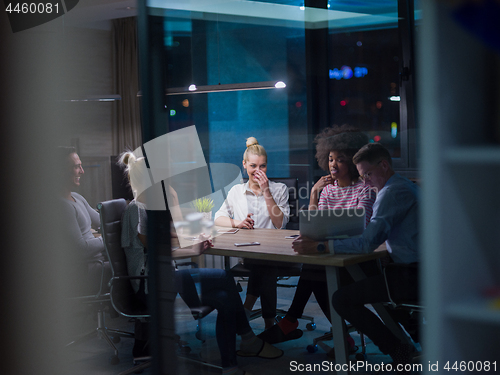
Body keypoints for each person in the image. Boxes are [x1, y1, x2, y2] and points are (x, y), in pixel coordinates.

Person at [118, 151, 283, 375]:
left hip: (166, 276)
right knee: (224, 277)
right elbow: (157, 251)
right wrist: (192, 248)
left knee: (224, 298)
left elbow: (168, 234)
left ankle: (231, 365)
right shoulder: (137, 209)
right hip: (150, 282)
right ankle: (249, 340)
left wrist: (176, 207)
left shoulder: (149, 207)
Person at [292, 143, 419, 372]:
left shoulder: (390, 193)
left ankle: (398, 351)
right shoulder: (401, 186)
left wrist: (320, 247)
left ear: (384, 165)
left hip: (410, 275)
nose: (367, 182)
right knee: (367, 283)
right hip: (413, 270)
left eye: (368, 174)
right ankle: (413, 340)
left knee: (341, 298)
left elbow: (366, 243)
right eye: (363, 176)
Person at [258, 126, 377, 347]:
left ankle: (291, 321)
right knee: (315, 272)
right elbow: (313, 227)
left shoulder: (364, 189)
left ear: (352, 161)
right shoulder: (328, 190)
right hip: (329, 257)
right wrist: (314, 192)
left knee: (313, 272)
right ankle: (333, 334)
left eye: (340, 159)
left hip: (356, 258)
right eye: (330, 159)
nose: (333, 164)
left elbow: (364, 226)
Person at [214, 137, 290, 329]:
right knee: (264, 266)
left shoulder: (279, 189)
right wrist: (238, 223)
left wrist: (266, 192)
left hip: (274, 252)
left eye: (262, 166)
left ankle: (247, 309)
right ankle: (269, 325)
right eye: (253, 165)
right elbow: (218, 219)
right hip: (248, 251)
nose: (258, 171)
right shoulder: (236, 191)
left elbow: (280, 223)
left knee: (266, 263)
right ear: (244, 165)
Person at [58, 146, 111, 295]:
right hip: (86, 270)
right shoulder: (62, 206)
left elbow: (103, 222)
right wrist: (108, 238)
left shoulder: (77, 197)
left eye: (81, 166)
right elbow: (81, 249)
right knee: (132, 268)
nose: (82, 171)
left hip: (97, 262)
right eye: (76, 167)